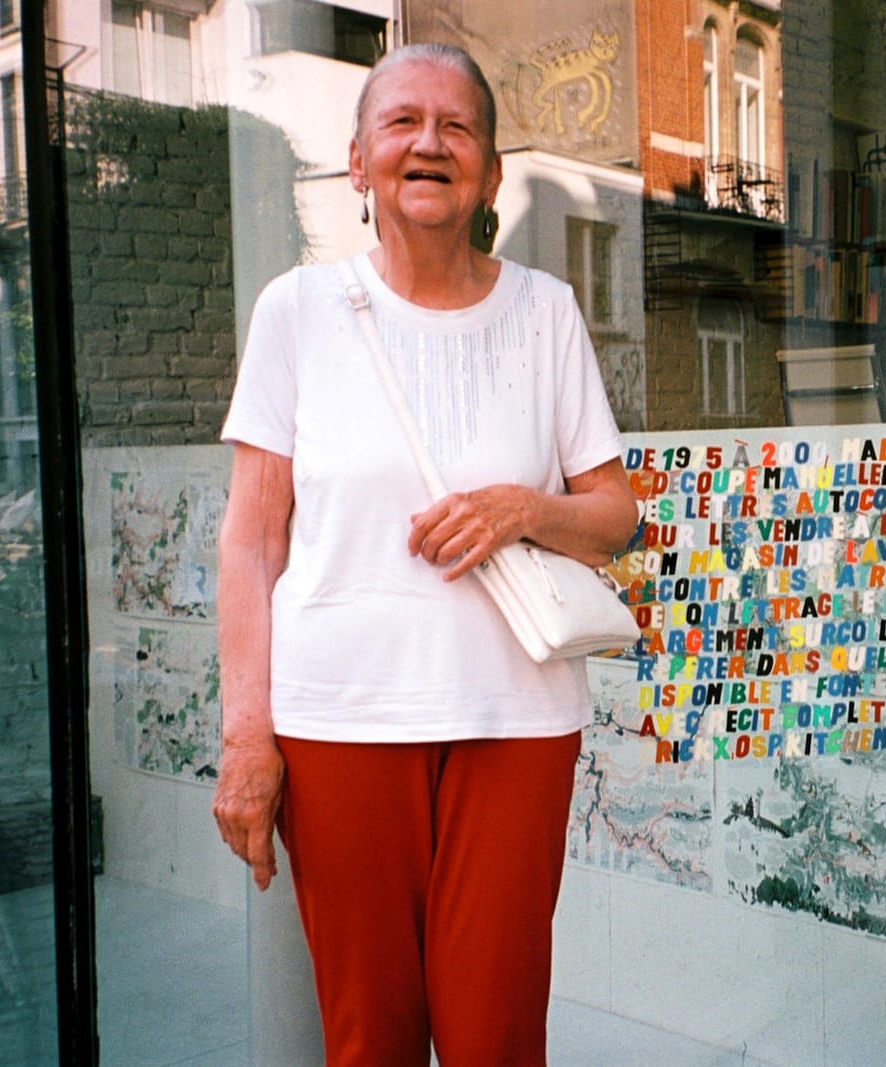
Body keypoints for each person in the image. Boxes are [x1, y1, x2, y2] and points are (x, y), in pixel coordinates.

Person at [210, 43, 637, 1066]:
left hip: (516, 720)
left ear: (490, 169)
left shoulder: (546, 311)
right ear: (358, 162)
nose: (429, 143)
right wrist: (245, 738)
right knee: (370, 1035)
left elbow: (616, 513)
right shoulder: (295, 311)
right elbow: (251, 535)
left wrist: (522, 508)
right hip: (338, 722)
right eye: (402, 122)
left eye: (458, 126)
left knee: (497, 1036)